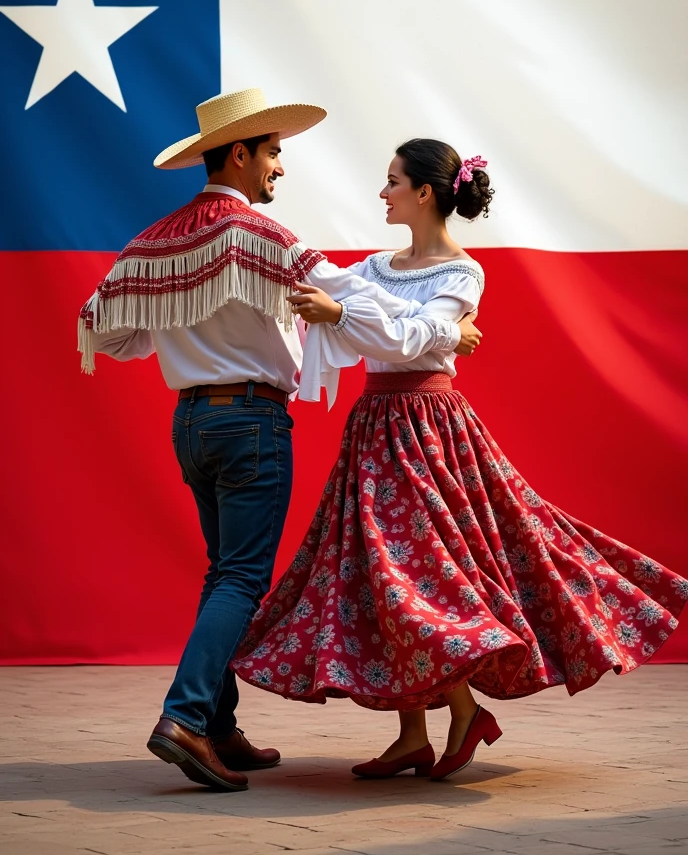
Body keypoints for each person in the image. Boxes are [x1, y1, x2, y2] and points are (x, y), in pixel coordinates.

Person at [232, 138, 688, 781]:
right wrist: (279, 262)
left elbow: (411, 336)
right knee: (382, 576)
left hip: (429, 428)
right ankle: (416, 732)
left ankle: (463, 713)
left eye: (392, 181)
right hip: (375, 424)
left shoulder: (462, 273)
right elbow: (349, 305)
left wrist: (361, 316)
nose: (382, 191)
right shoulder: (374, 266)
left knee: (424, 572)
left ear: (424, 192)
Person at [78, 90, 481, 793]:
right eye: (273, 152)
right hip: (251, 424)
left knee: (221, 572)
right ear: (241, 154)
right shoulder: (266, 237)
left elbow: (106, 330)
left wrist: (179, 323)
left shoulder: (157, 239)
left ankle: (220, 728)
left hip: (191, 423)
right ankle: (185, 718)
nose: (279, 169)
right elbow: (355, 304)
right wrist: (448, 333)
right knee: (240, 577)